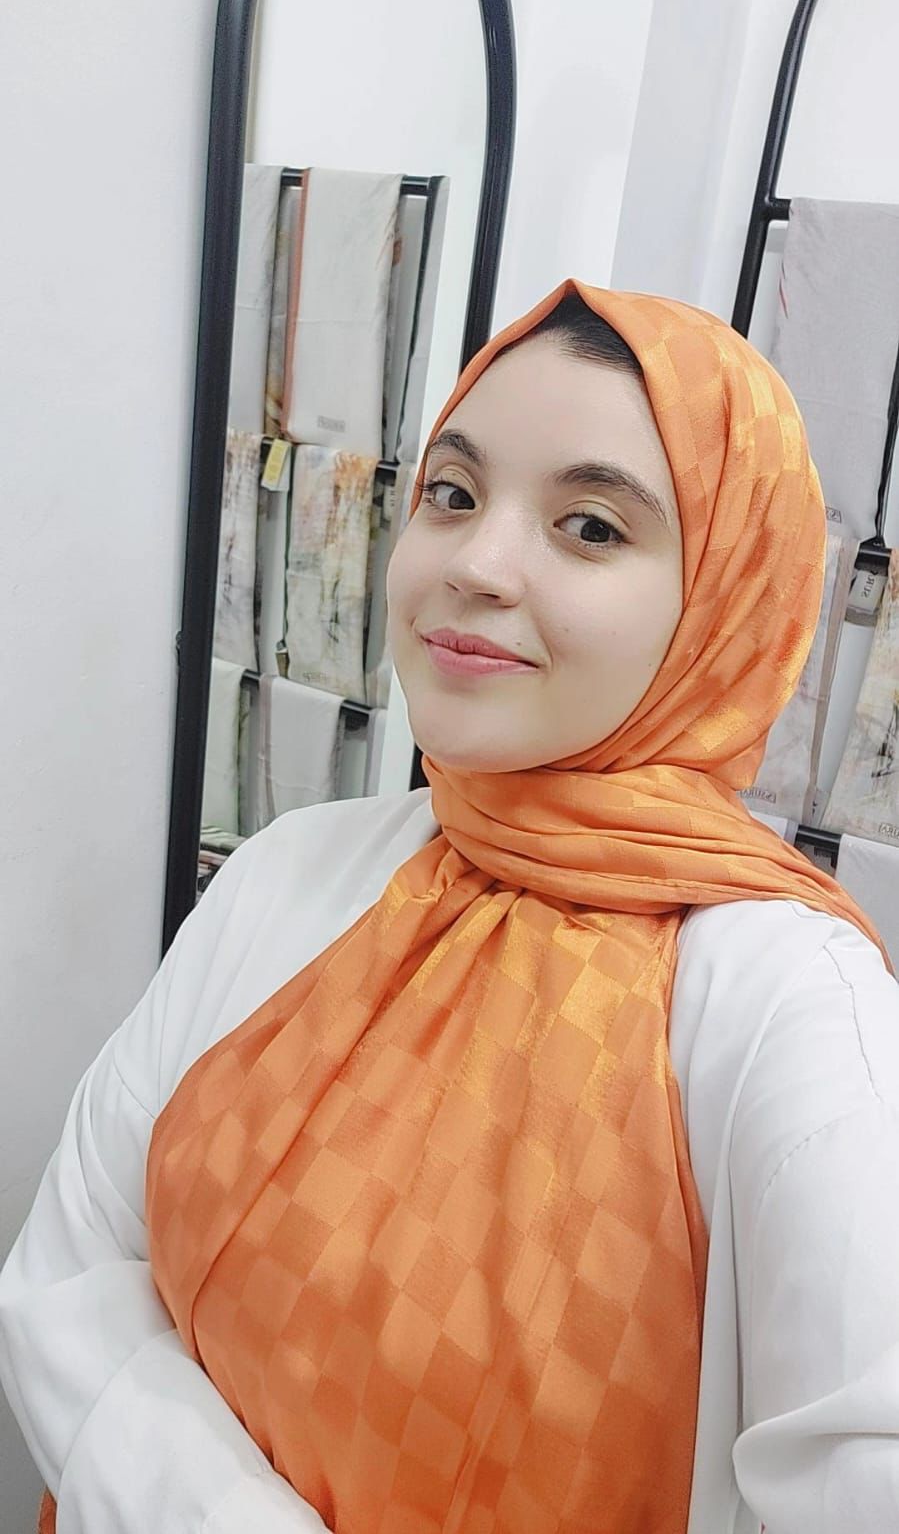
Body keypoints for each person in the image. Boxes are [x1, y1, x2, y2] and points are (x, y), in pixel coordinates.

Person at [2, 281, 898, 1534]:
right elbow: (68, 1275)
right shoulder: (293, 869)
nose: (473, 565)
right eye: (453, 494)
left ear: (726, 602)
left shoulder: (790, 1010)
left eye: (589, 527)